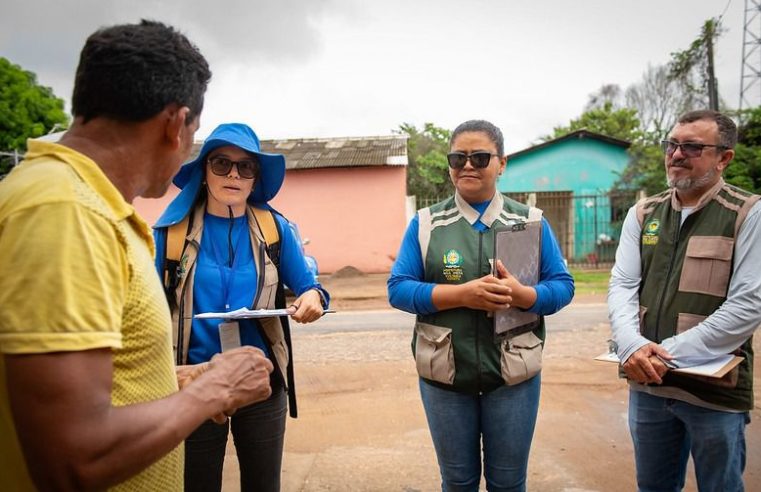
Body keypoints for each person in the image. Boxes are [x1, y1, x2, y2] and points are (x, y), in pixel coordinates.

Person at [0, 21, 276, 491]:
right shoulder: (67, 212)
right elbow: (74, 458)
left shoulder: (74, 201)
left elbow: (98, 382)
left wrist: (176, 378)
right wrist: (217, 389)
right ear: (174, 124)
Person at [388, 119, 574, 491]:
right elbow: (399, 289)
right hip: (445, 375)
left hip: (512, 376)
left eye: (480, 157)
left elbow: (562, 287)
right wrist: (461, 295)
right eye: (458, 158)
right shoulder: (426, 224)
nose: (468, 165)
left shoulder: (529, 221)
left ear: (501, 164)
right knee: (458, 481)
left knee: (507, 482)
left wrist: (525, 296)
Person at [153, 122, 329, 492]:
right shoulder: (170, 235)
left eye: (245, 167)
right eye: (221, 163)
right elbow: (148, 307)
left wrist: (313, 299)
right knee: (196, 483)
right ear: (204, 172)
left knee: (263, 484)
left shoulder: (274, 229)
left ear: (254, 179)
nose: (233, 174)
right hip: (193, 380)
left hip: (261, 381)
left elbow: (311, 287)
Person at [608, 109, 761, 492]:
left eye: (692, 147)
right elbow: (623, 284)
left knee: (720, 486)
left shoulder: (746, 214)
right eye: (672, 144)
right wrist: (631, 346)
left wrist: (662, 354)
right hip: (648, 385)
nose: (676, 154)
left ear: (724, 157)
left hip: (714, 391)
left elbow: (748, 304)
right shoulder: (644, 214)